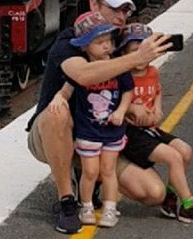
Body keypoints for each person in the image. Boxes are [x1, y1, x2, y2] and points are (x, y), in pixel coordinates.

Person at [26, 0, 171, 234]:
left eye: (125, 10)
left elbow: (128, 85)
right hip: (55, 132)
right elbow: (83, 75)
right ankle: (67, 201)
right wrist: (136, 58)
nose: (121, 16)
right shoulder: (68, 42)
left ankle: (90, 180)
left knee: (153, 193)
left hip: (101, 134)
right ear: (93, 5)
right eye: (114, 8)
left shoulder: (119, 46)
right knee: (57, 114)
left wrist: (135, 107)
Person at [119, 23, 193, 224]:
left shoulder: (153, 72)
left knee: (185, 151)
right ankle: (188, 205)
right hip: (131, 133)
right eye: (134, 51)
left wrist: (157, 108)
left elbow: (157, 91)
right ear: (124, 53)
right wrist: (132, 109)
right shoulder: (122, 75)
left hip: (150, 128)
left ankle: (170, 199)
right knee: (174, 157)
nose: (141, 56)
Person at [49, 12, 133, 228]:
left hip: (112, 131)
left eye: (109, 41)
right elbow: (68, 88)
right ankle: (85, 204)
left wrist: (122, 110)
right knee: (91, 171)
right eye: (99, 42)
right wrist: (59, 96)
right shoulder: (82, 68)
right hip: (88, 132)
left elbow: (128, 90)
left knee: (108, 171)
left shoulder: (117, 66)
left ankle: (109, 207)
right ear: (85, 47)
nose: (106, 47)